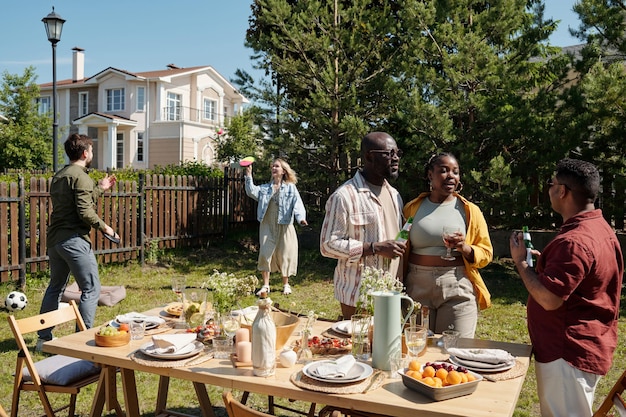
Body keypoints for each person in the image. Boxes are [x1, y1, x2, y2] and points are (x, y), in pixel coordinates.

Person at [509, 158, 623, 417]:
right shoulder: (600, 228)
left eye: (552, 183)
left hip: (567, 352)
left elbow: (549, 299)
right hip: (584, 346)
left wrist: (521, 264)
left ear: (562, 191)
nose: (549, 189)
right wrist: (546, 270)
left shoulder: (574, 241)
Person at [37, 133, 119, 351]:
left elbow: (78, 202)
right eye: (91, 151)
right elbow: (84, 211)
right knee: (91, 289)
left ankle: (43, 339)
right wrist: (105, 227)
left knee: (55, 287)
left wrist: (100, 188)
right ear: (85, 153)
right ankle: (81, 343)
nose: (92, 154)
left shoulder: (60, 175)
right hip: (74, 241)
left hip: (56, 241)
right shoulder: (81, 176)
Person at [402, 153, 492, 338]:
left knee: (454, 353)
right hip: (417, 288)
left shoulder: (470, 211)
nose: (450, 176)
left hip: (457, 285)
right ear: (430, 175)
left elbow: (486, 252)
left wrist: (464, 248)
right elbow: (400, 241)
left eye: (455, 172)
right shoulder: (412, 208)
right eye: (443, 171)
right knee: (418, 349)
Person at [320, 132, 407, 319]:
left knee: (386, 347)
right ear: (369, 156)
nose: (396, 158)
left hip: (391, 292)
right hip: (359, 294)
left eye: (397, 153)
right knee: (360, 346)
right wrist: (374, 248)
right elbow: (328, 245)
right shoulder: (344, 196)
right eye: (389, 153)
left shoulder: (395, 195)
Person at [245, 158, 308, 296]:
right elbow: (251, 191)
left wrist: (301, 218)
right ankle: (266, 285)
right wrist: (249, 175)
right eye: (272, 166)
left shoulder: (291, 187)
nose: (274, 168)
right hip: (267, 224)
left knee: (284, 254)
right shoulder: (265, 189)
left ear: (283, 170)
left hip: (284, 224)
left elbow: (298, 204)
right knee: (265, 253)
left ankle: (286, 284)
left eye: (277, 166)